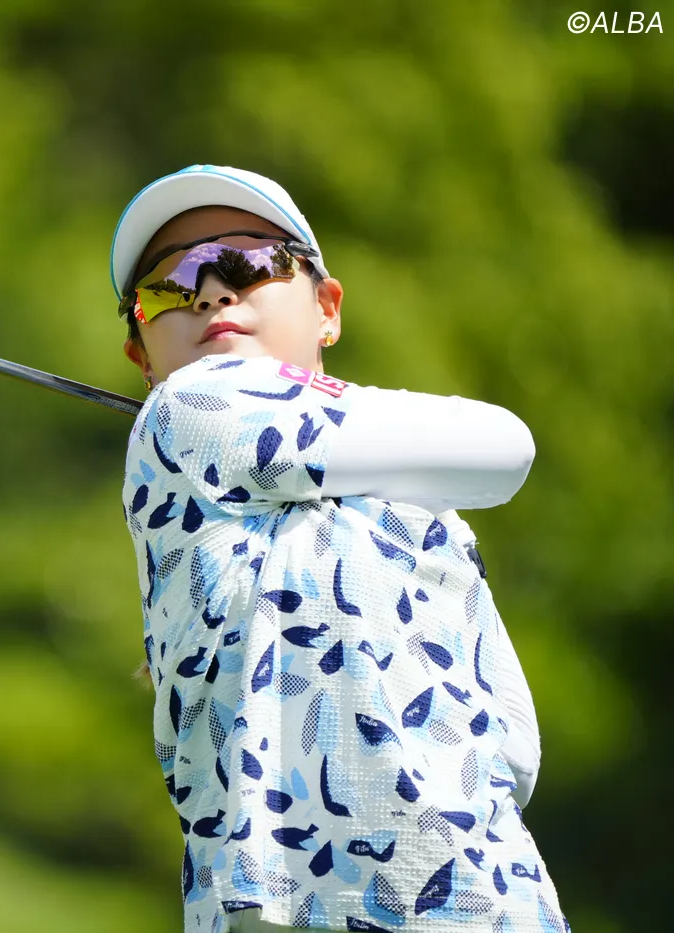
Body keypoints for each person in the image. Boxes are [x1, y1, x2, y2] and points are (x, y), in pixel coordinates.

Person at [112, 165, 567, 933]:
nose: (211, 292)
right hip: (299, 905)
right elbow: (505, 444)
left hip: (486, 899)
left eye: (249, 263)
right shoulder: (186, 406)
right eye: (168, 285)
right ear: (142, 356)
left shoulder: (419, 504)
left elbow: (513, 739)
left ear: (327, 307)